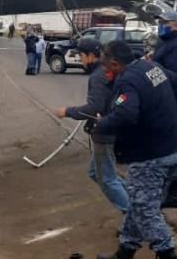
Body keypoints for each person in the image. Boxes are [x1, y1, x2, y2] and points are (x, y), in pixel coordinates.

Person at [93, 40, 177, 259]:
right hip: (173, 148)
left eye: (107, 65)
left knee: (146, 210)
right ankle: (124, 256)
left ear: (116, 63)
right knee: (138, 205)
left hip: (151, 155)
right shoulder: (151, 67)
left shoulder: (127, 80)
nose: (105, 70)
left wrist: (101, 123)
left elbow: (126, 113)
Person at [54, 38, 128, 213]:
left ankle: (134, 216)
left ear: (91, 56)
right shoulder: (107, 71)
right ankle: (136, 201)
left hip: (105, 132)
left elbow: (94, 107)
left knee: (108, 179)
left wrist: (67, 111)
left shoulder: (98, 76)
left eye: (80, 55)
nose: (79, 59)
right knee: (96, 173)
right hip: (112, 128)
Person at [151, 10, 177, 209]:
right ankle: (171, 193)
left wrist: (150, 69)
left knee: (169, 151)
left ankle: (171, 194)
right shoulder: (167, 43)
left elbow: (173, 78)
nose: (161, 25)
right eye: (160, 22)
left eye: (164, 22)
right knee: (167, 149)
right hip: (165, 102)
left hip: (173, 103)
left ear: (176, 24)